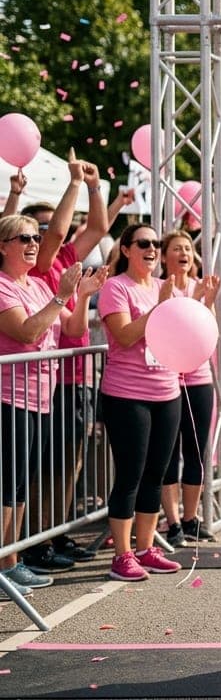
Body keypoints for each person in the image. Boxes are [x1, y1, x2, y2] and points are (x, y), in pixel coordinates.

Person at [0, 214, 102, 596]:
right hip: (9, 397)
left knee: (21, 486)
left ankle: (12, 561)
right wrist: (61, 294)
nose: (32, 242)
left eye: (35, 236)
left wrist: (85, 293)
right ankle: (3, 564)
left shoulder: (41, 287)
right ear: (2, 246)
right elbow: (26, 331)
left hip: (42, 398)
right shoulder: (4, 286)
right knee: (8, 486)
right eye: (22, 237)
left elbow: (73, 332)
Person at [99, 223, 191, 583]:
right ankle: (121, 555)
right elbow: (123, 335)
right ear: (126, 249)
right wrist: (161, 307)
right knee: (131, 476)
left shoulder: (160, 287)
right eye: (144, 243)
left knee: (156, 473)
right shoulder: (115, 288)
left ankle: (145, 547)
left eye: (156, 243)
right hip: (127, 395)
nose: (152, 248)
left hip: (166, 391)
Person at [156, 232, 221, 547]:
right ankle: (172, 522)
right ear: (164, 255)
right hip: (166, 379)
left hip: (199, 377)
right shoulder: (159, 288)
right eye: (176, 248)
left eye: (188, 248)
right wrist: (195, 303)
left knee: (196, 449)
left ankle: (191, 517)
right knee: (168, 452)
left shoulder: (200, 285)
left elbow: (206, 332)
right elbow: (169, 328)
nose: (183, 253)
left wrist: (205, 303)